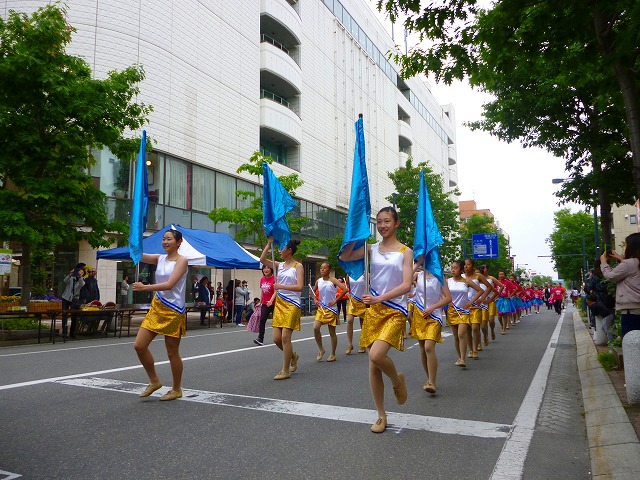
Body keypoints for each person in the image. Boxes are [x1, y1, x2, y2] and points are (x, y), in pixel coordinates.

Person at [339, 207, 412, 433]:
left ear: (396, 223)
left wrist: (379, 297)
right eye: (379, 222)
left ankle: (396, 381)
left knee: (376, 355)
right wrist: (356, 231)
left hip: (394, 310)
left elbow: (406, 285)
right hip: (374, 311)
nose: (382, 226)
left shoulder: (405, 251)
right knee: (373, 365)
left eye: (387, 221)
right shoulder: (371, 249)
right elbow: (345, 256)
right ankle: (381, 415)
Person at [133, 229, 189, 401]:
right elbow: (138, 255)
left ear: (178, 242)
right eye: (164, 239)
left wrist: (145, 287)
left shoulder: (182, 260)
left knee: (172, 353)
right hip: (157, 307)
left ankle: (176, 389)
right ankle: (154, 381)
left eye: (169, 239)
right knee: (139, 346)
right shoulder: (160, 258)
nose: (165, 242)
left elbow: (169, 284)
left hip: (174, 310)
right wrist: (133, 241)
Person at [260, 237, 303, 380]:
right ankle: (293, 356)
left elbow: (299, 287)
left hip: (292, 304)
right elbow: (262, 260)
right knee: (276, 339)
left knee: (285, 337)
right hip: (280, 303)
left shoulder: (298, 266)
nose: (279, 251)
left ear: (289, 250)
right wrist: (269, 244)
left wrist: (281, 286)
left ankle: (285, 370)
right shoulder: (279, 265)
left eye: (282, 248)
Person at [409, 265, 452, 394]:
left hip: (434, 315)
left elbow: (448, 298)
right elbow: (404, 279)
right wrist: (417, 264)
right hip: (419, 314)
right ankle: (429, 379)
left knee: (429, 347)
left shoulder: (440, 277)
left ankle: (432, 382)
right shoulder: (418, 275)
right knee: (422, 347)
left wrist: (433, 307)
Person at [600, 233, 640, 338]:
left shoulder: (629, 264)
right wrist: (621, 258)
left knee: (630, 341)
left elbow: (610, 276)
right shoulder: (634, 263)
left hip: (631, 310)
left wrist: (603, 263)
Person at [447, 260, 483, 365]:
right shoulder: (448, 281)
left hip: (464, 311)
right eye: (452, 268)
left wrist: (470, 302)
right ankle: (459, 357)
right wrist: (447, 300)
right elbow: (442, 292)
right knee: (456, 337)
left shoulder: (466, 281)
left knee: (461, 334)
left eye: (456, 268)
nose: (453, 270)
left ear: (461, 269)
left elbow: (480, 291)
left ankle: (463, 359)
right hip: (452, 311)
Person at [312, 263, 347, 362]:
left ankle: (333, 354)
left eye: (325, 268)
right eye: (321, 268)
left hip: (331, 309)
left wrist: (336, 300)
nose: (322, 270)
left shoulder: (333, 280)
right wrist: (315, 300)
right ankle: (321, 349)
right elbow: (313, 291)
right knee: (315, 328)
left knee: (332, 332)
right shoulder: (318, 281)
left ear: (330, 270)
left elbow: (345, 289)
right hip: (322, 308)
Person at [463, 259, 493, 358]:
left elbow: (489, 287)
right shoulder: (462, 276)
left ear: (473, 266)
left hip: (476, 305)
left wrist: (483, 298)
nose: (466, 266)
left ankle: (475, 349)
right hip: (464, 306)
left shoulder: (478, 276)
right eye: (464, 265)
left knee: (475, 327)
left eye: (468, 264)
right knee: (467, 329)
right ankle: (471, 349)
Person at [61, 263, 86, 338]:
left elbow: (81, 284)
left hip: (74, 300)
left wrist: (80, 276)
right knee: (64, 315)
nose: (79, 272)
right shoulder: (72, 278)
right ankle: (64, 332)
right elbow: (65, 281)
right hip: (66, 298)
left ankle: (72, 333)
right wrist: (70, 274)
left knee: (74, 316)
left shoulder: (82, 280)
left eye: (81, 272)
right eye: (79, 271)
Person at [345, 274, 367, 354]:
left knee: (363, 323)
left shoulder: (365, 274)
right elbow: (346, 285)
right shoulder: (349, 274)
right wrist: (347, 292)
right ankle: (350, 344)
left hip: (362, 301)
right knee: (349, 320)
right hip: (352, 300)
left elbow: (372, 286)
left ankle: (363, 344)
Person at [254, 265, 276, 346]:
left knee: (276, 321)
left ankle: (278, 337)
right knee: (262, 320)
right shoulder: (262, 279)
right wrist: (260, 302)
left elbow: (276, 291)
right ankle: (260, 338)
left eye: (268, 268)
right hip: (265, 303)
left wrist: (271, 300)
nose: (266, 270)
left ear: (271, 269)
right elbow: (262, 291)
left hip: (274, 303)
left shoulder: (275, 279)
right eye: (264, 268)